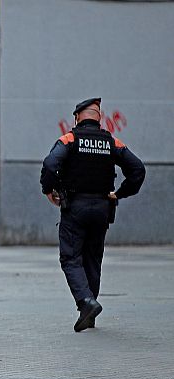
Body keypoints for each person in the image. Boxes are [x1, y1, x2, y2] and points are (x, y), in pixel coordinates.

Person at [40, 97, 145, 332]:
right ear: (100, 117)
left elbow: (49, 165)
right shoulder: (111, 141)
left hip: (75, 207)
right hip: (101, 208)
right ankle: (90, 313)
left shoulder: (70, 138)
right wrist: (120, 193)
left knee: (70, 258)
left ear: (77, 117)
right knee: (92, 259)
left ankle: (86, 302)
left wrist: (49, 189)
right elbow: (138, 169)